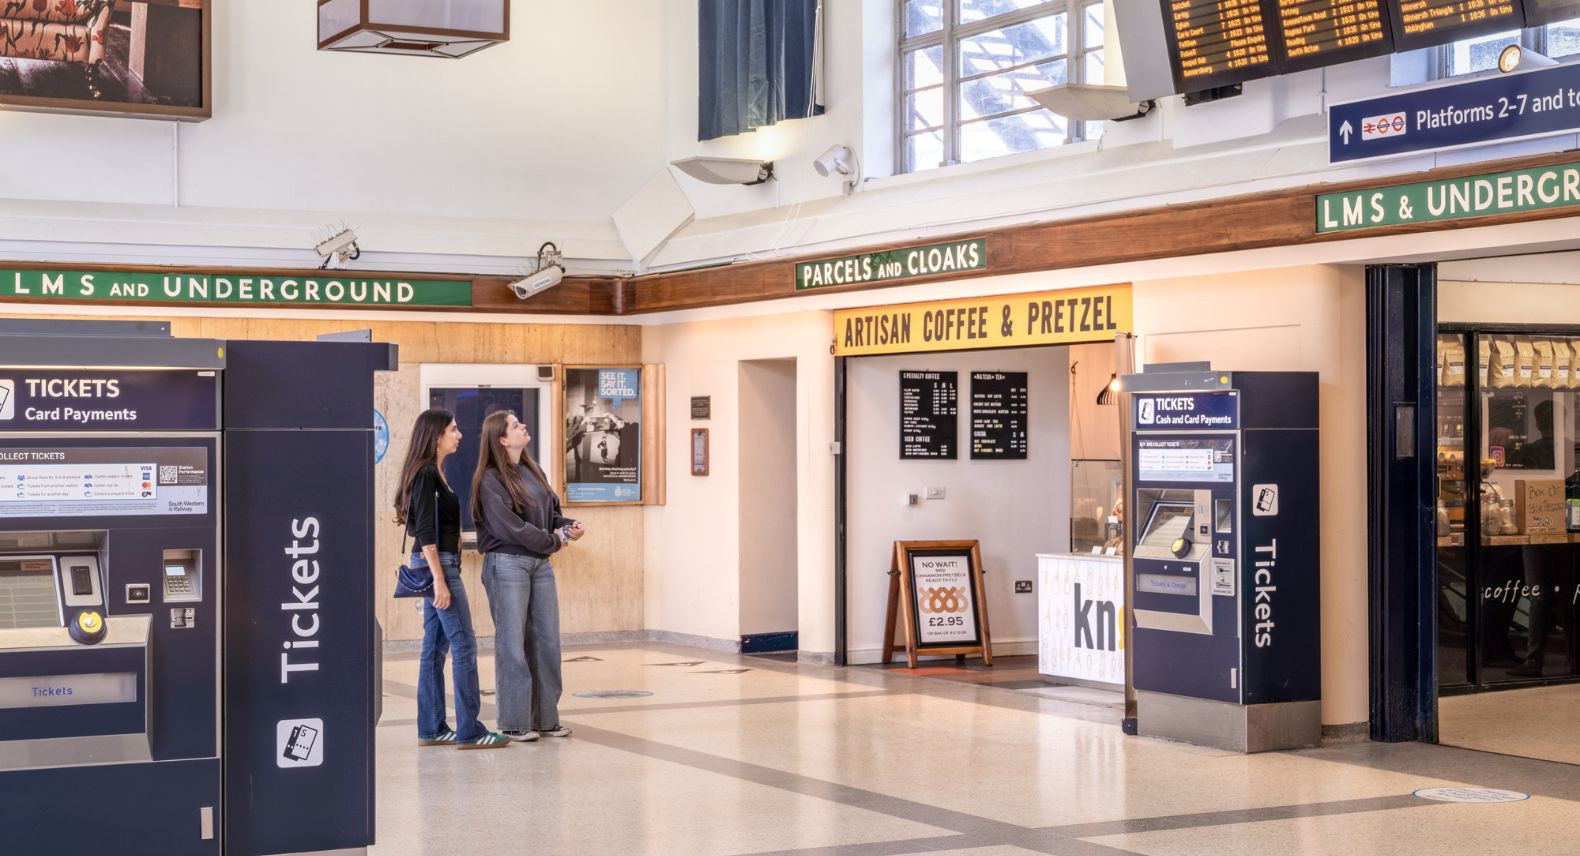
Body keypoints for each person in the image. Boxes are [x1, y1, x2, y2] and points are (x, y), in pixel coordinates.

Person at [394, 409, 511, 750]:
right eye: (453, 430)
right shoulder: (427, 473)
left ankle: (431, 727)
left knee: (434, 647)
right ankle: (470, 730)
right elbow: (427, 533)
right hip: (438, 564)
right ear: (435, 436)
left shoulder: (434, 472)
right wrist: (440, 581)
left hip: (438, 562)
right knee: (463, 644)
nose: (459, 435)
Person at [473, 410, 585, 741]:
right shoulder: (490, 479)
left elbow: (550, 514)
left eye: (521, 422)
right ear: (502, 439)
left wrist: (567, 527)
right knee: (513, 644)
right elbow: (512, 528)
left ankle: (546, 719)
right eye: (515, 425)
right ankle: (514, 721)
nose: (523, 426)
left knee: (547, 642)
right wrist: (554, 540)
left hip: (540, 564)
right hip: (507, 563)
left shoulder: (532, 471)